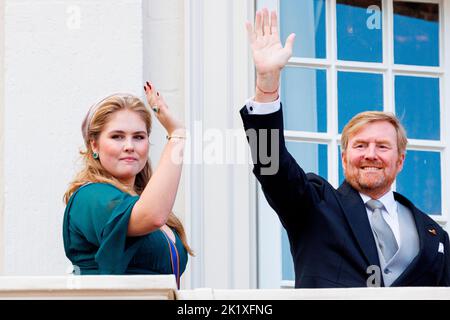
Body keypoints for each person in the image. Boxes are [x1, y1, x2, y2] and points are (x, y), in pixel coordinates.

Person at [240, 9, 449, 288]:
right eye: (360, 145)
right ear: (344, 157)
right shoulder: (315, 206)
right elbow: (271, 165)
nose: (370, 154)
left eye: (382, 146)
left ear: (400, 161)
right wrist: (266, 87)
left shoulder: (433, 235)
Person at [63, 82, 193, 288]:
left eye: (139, 137)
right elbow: (152, 215)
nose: (129, 146)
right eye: (117, 136)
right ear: (94, 145)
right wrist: (177, 135)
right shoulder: (89, 196)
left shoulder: (140, 201)